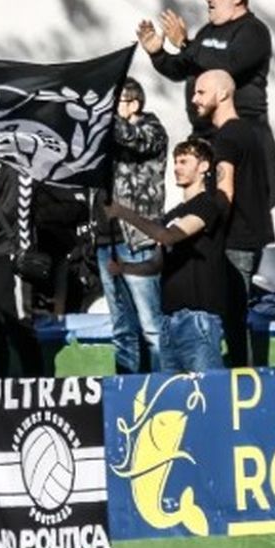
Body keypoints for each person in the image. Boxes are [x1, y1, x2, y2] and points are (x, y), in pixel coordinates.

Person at [138, 0, 275, 226]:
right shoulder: (208, 32)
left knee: (234, 217)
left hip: (241, 139)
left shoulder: (254, 31)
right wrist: (158, 54)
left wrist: (187, 44)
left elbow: (228, 66)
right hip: (206, 139)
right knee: (203, 215)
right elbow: (181, 68)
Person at [106, 138, 230, 373]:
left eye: (184, 161)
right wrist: (125, 268)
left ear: (203, 166)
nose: (177, 167)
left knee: (207, 392)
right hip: (168, 321)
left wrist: (123, 212)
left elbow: (168, 237)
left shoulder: (207, 205)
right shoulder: (173, 213)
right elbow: (156, 264)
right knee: (173, 398)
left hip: (197, 318)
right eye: (175, 161)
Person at [192, 69, 264, 366]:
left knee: (232, 322)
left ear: (222, 94)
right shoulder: (246, 132)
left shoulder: (227, 137)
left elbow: (225, 193)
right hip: (247, 240)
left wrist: (202, 229)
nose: (194, 99)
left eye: (200, 92)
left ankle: (239, 389)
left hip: (235, 242)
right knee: (234, 319)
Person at [97, 79, 168, 374]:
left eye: (116, 103)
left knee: (151, 326)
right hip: (106, 240)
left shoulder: (151, 129)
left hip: (137, 240)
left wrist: (104, 114)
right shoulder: (104, 137)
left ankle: (162, 390)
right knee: (121, 327)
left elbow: (133, 138)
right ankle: (126, 393)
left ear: (134, 103)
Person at [0, 145, 47, 378]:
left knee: (19, 327)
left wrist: (18, 253)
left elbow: (17, 213)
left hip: (9, 256)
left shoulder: (19, 164)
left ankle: (36, 387)